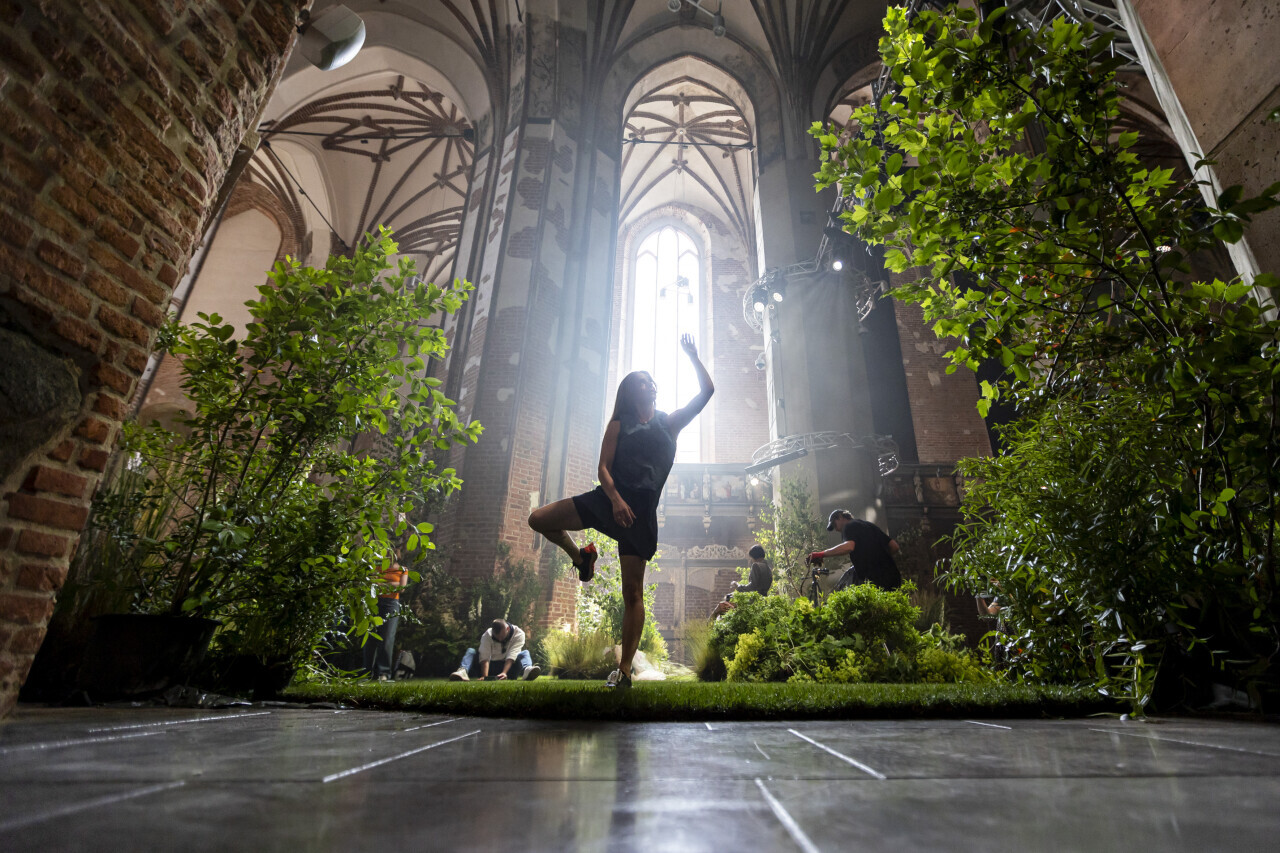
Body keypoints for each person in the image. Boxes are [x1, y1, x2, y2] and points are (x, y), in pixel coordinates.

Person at [528, 334, 714, 689]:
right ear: (629, 392)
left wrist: (692, 355)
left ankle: (625, 671)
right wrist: (614, 500)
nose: (649, 383)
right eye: (641, 381)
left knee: (633, 593)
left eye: (650, 380)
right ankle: (581, 557)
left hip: (640, 514)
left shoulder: (669, 423)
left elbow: (707, 392)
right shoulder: (618, 425)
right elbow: (603, 468)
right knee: (538, 519)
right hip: (609, 500)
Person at [807, 509, 902, 592]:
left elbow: (849, 547)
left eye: (834, 525)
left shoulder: (848, 526)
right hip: (893, 576)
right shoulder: (868, 525)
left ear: (840, 517)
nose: (836, 529)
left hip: (876, 579)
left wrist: (821, 554)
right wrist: (880, 559)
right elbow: (894, 546)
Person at [364, 553, 409, 681]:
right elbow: (370, 583)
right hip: (374, 602)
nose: (390, 554)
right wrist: (391, 584)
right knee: (370, 638)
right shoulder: (376, 567)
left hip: (391, 604)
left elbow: (401, 588)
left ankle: (383, 673)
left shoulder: (403, 569)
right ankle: (366, 672)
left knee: (387, 637)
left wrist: (381, 583)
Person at [450, 619, 541, 681]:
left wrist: (504, 673)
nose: (500, 639)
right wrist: (485, 677)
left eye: (502, 636)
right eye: (497, 637)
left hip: (508, 668)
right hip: (490, 667)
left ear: (507, 629)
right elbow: (484, 657)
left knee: (525, 653)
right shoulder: (487, 634)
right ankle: (462, 671)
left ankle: (527, 670)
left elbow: (512, 655)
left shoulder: (519, 634)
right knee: (471, 651)